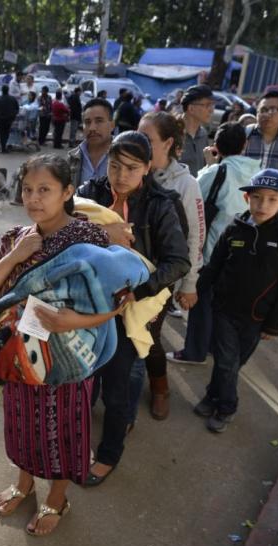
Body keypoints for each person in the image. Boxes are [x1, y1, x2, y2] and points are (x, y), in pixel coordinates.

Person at [0, 154, 116, 536]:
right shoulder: (17, 238)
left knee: (63, 431)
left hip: (68, 358)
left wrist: (77, 321)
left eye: (45, 190)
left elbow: (119, 302)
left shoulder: (89, 240)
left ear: (68, 191)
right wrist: (19, 254)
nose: (34, 199)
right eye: (27, 190)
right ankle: (23, 484)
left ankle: (57, 497)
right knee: (22, 425)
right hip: (19, 356)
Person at [76, 132, 190, 483]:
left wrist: (138, 290)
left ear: (147, 168)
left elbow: (178, 262)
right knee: (82, 373)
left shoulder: (161, 204)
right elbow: (65, 234)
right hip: (86, 301)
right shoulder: (90, 193)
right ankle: (83, 438)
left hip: (129, 308)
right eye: (114, 165)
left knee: (117, 386)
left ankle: (109, 453)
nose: (121, 175)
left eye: (131, 167)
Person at [195, 168, 278, 433]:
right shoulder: (233, 229)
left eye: (272, 199)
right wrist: (194, 292)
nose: (263, 205)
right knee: (227, 361)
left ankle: (211, 395)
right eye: (257, 198)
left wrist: (273, 325)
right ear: (246, 199)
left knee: (232, 364)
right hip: (225, 311)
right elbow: (214, 266)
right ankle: (227, 407)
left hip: (257, 317)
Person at [168, 122, 258, 366]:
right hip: (246, 251)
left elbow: (194, 200)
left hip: (213, 250)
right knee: (221, 303)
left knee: (202, 301)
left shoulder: (215, 172)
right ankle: (211, 346)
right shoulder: (257, 172)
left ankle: (194, 351)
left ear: (216, 146)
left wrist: (210, 165)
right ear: (245, 145)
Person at [137, 112, 205, 418]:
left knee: (148, 336)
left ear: (167, 143)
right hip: (129, 273)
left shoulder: (187, 184)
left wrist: (189, 284)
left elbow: (195, 237)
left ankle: (160, 387)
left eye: (147, 140)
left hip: (163, 277)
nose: (140, 144)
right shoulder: (135, 172)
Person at [67, 98, 114, 189]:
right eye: (87, 122)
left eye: (99, 121)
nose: (92, 128)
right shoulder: (72, 158)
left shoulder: (124, 156)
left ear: (112, 125)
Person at [178, 84, 214, 176]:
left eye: (212, 105)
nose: (211, 110)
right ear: (191, 108)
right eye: (207, 105)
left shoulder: (203, 134)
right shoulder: (172, 133)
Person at [0, 84, 19, 153]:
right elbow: (17, 108)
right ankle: (5, 146)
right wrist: (13, 115)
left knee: (1, 133)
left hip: (0, 119)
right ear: (8, 90)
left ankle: (3, 147)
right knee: (7, 132)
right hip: (9, 119)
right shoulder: (13, 99)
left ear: (2, 91)